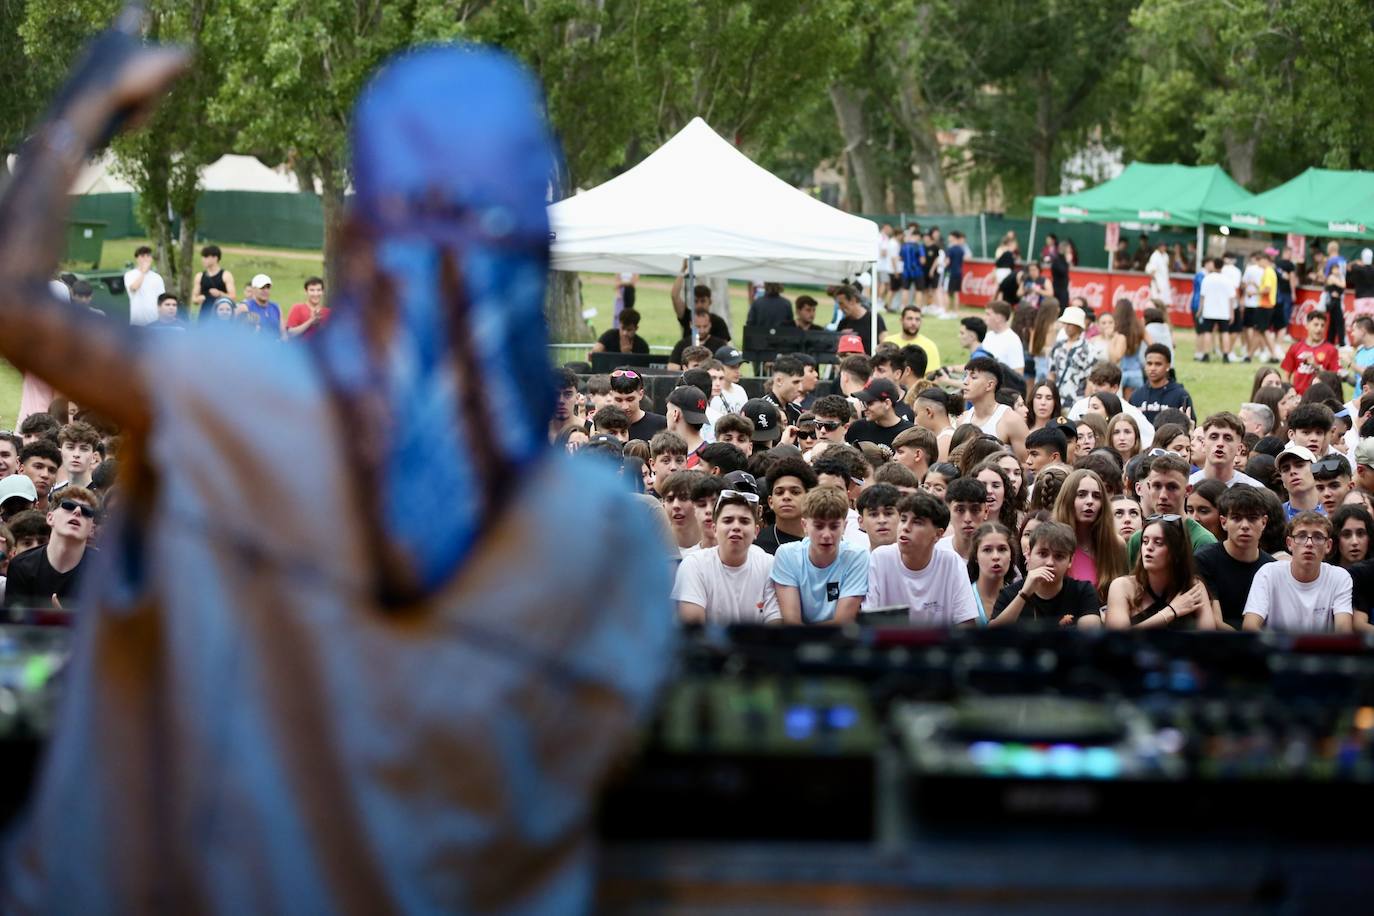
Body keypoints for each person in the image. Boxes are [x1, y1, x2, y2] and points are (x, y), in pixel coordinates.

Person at [0, 38, 677, 913]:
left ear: (353, 239)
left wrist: (79, 117)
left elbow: (16, 305)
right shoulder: (607, 532)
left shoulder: (225, 395)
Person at [866, 491, 976, 627]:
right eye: (903, 519)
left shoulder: (952, 562)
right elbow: (868, 623)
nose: (905, 528)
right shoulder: (880, 558)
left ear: (938, 534)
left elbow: (966, 624)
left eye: (917, 522)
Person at [673, 490, 777, 624]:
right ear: (715, 529)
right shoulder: (694, 565)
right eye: (728, 521)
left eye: (744, 521)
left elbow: (775, 624)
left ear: (756, 531)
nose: (736, 527)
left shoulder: (768, 564)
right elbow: (694, 631)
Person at [771, 487, 870, 624]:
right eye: (819, 526)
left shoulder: (857, 557)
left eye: (834, 526)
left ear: (844, 527)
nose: (826, 535)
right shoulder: (786, 555)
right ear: (804, 526)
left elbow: (841, 623)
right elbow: (792, 623)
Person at [1244, 512, 1352, 632]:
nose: (1309, 543)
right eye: (1301, 536)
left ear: (1328, 545)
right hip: (1276, 649)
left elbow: (1344, 631)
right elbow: (1250, 626)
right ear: (1289, 543)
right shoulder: (1268, 573)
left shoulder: (1339, 577)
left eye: (1318, 537)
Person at [1104, 515, 1214, 629]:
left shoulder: (1193, 587)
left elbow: (1208, 640)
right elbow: (1117, 639)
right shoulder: (1122, 586)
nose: (1149, 547)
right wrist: (1171, 611)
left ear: (1176, 552)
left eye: (1158, 542)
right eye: (1145, 541)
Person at [2, 485, 99, 610]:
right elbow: (16, 626)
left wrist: (66, 622)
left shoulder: (104, 570)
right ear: (50, 517)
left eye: (87, 512)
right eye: (68, 506)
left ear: (92, 528)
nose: (78, 511)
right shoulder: (21, 566)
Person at [990, 520, 1101, 628]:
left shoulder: (1083, 591)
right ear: (1029, 554)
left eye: (1059, 556)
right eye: (1043, 554)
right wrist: (1024, 594)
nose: (1050, 563)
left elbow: (1091, 637)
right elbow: (991, 638)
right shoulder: (1009, 594)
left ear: (1070, 561)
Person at [1053, 467, 1127, 602]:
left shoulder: (1116, 545)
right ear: (1067, 499)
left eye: (1097, 496)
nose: (1090, 501)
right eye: (1081, 494)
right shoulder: (1051, 544)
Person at [959, 357, 1027, 457]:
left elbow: (1027, 464)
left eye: (973, 377)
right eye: (966, 376)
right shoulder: (962, 419)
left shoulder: (1010, 420)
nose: (965, 382)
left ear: (990, 385)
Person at [755, 457, 816, 555]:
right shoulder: (758, 544)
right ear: (770, 502)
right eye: (779, 492)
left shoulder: (821, 540)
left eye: (795, 492)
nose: (786, 497)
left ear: (809, 498)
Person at [1190, 412, 1263, 489]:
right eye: (1214, 437)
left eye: (1228, 438)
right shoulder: (1187, 486)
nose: (1220, 443)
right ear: (1203, 445)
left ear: (1239, 449)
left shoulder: (1255, 490)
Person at [967, 521, 1017, 626]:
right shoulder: (965, 598)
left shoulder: (1019, 596)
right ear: (976, 556)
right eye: (987, 550)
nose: (995, 556)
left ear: (1011, 555)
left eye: (1002, 549)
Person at [1281, 309, 1340, 395]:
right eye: (1316, 325)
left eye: (1322, 325)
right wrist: (1289, 393)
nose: (1319, 328)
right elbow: (1286, 375)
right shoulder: (1295, 347)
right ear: (1307, 325)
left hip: (1320, 398)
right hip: (1298, 397)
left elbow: (1334, 379)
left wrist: (1316, 366)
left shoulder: (1331, 350)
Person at [847, 378, 913, 449]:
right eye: (863, 403)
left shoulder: (909, 434)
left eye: (869, 403)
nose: (864, 409)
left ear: (887, 403)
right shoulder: (857, 428)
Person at [1048, 305, 1094, 406]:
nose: (1066, 327)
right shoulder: (1057, 346)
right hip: (1057, 400)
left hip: (1077, 400)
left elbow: (1089, 379)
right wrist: (1049, 396)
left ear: (1078, 326)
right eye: (1065, 323)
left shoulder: (1087, 348)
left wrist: (1085, 404)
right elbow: (1051, 374)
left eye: (1070, 324)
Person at [938, 477, 987, 561]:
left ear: (986, 512)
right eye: (960, 510)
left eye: (975, 510)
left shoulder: (996, 553)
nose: (967, 519)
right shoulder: (936, 553)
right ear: (948, 511)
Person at [882, 304, 942, 372]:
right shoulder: (889, 342)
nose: (914, 323)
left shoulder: (930, 346)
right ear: (901, 320)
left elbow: (932, 375)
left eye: (917, 319)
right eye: (910, 319)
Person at [834, 284, 885, 355]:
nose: (839, 308)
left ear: (853, 300)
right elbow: (836, 350)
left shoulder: (874, 319)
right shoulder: (843, 323)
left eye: (841, 303)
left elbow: (884, 345)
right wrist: (841, 337)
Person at [980, 301, 1026, 379]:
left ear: (999, 318)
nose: (984, 318)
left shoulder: (1013, 340)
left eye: (988, 314)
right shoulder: (989, 335)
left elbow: (1019, 373)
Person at [123, 243, 165, 326]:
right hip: (137, 322)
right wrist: (143, 272)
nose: (146, 259)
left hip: (155, 321)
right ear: (137, 258)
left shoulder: (157, 277)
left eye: (148, 256)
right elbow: (134, 288)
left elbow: (162, 299)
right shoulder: (129, 275)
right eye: (142, 256)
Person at [191, 244, 236, 319]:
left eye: (206, 257)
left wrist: (220, 294)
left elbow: (233, 297)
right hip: (204, 315)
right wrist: (198, 299)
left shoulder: (226, 275)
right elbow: (194, 299)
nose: (203, 260)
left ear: (215, 258)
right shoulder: (199, 276)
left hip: (221, 316)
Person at [856, 482, 902, 551]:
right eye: (873, 514)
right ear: (861, 522)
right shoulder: (856, 561)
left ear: (901, 518)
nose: (882, 520)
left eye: (888, 513)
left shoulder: (919, 560)